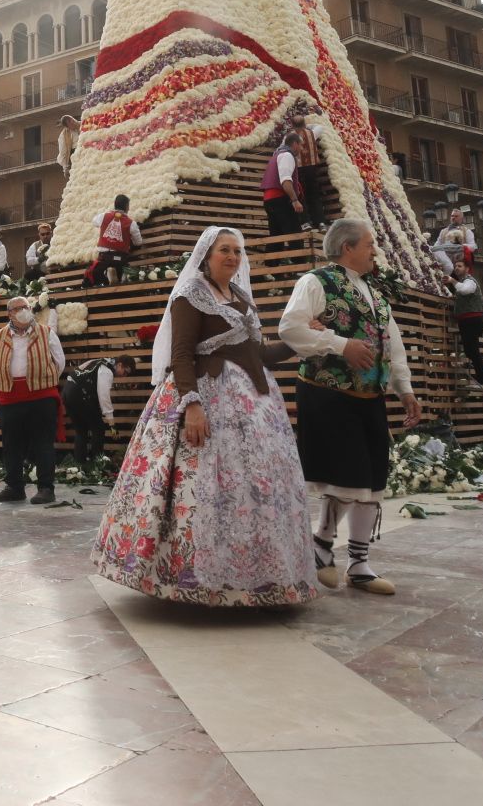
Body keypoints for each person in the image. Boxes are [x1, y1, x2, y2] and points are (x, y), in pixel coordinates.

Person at [92, 226, 319, 606]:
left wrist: (303, 340)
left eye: (237, 251)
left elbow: (257, 355)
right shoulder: (190, 295)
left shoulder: (242, 299)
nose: (232, 257)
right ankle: (190, 578)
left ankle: (257, 577)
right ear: (206, 255)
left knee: (254, 488)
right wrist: (192, 405)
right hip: (203, 397)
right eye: (224, 250)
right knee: (199, 489)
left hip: (253, 407)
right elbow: (181, 355)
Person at [279, 217, 423, 596]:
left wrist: (404, 389)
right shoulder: (315, 282)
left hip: (368, 395)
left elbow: (392, 345)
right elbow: (290, 328)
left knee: (372, 479)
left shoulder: (374, 293)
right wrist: (341, 344)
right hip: (328, 393)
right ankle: (323, 546)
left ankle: (357, 563)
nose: (374, 250)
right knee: (350, 475)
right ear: (348, 248)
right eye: (369, 243)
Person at [0, 294, 67, 505]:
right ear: (9, 314)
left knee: (43, 443)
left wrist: (42, 380)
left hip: (41, 396)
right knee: (11, 444)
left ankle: (46, 488)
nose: (24, 310)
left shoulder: (46, 332)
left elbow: (59, 361)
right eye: (18, 308)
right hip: (10, 396)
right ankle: (14, 487)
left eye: (26, 306)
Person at [64, 354, 131, 466]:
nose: (124, 376)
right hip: (79, 394)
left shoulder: (100, 361)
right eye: (125, 372)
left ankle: (80, 466)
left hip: (68, 392)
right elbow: (104, 397)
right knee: (99, 428)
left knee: (81, 431)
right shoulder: (106, 371)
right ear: (119, 364)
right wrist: (112, 424)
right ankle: (97, 464)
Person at [449, 266, 483, 390]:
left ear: (467, 269)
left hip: (472, 319)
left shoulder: (469, 281)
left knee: (473, 351)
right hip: (467, 320)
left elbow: (465, 290)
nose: (456, 268)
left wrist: (452, 281)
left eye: (459, 266)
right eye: (455, 267)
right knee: (471, 351)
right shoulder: (463, 282)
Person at [263, 130, 312, 240]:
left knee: (276, 239)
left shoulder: (276, 155)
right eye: (301, 145)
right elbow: (285, 181)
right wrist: (295, 200)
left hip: (269, 200)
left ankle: (274, 257)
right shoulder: (287, 155)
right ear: (295, 144)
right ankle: (298, 258)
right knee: (295, 237)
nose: (301, 149)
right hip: (280, 199)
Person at [85, 194, 143, 287]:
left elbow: (94, 222)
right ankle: (120, 276)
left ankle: (107, 275)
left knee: (95, 272)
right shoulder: (131, 223)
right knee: (124, 270)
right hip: (121, 259)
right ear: (127, 206)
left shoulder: (103, 216)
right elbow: (138, 242)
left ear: (115, 204)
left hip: (104, 259)